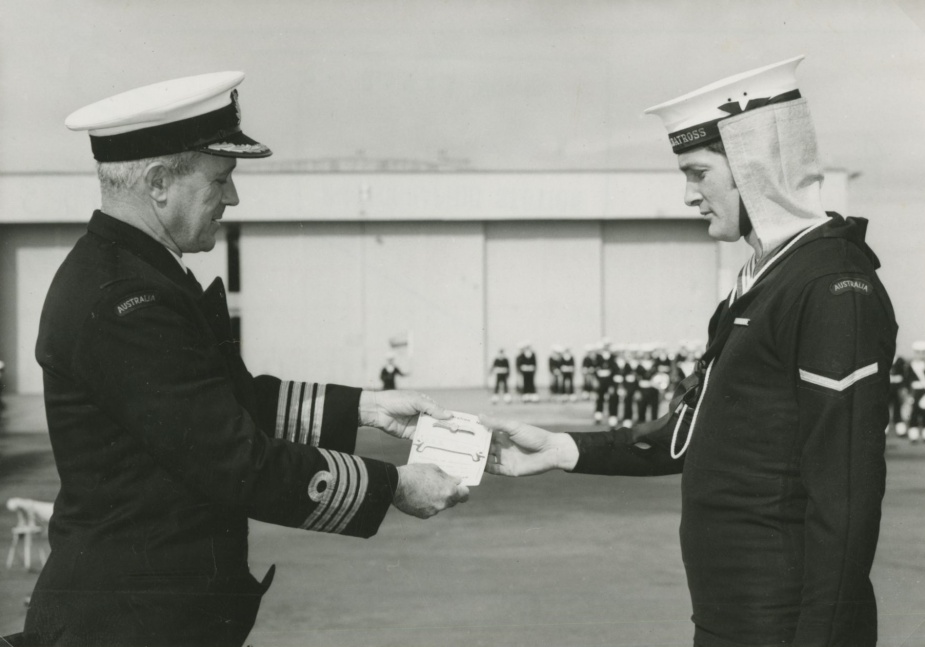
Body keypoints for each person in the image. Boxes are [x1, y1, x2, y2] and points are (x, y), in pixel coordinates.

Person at [19, 72, 468, 647]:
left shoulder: (134, 275)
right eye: (221, 179)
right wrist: (394, 486)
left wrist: (368, 408)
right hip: (129, 624)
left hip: (148, 616)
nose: (232, 198)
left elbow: (228, 401)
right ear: (159, 182)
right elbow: (233, 457)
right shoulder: (123, 301)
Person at [484, 56, 896, 647]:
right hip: (730, 617)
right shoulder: (763, 279)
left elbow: (848, 495)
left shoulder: (831, 287)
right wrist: (561, 447)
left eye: (698, 173)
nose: (688, 195)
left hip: (782, 625)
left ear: (755, 166)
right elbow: (692, 429)